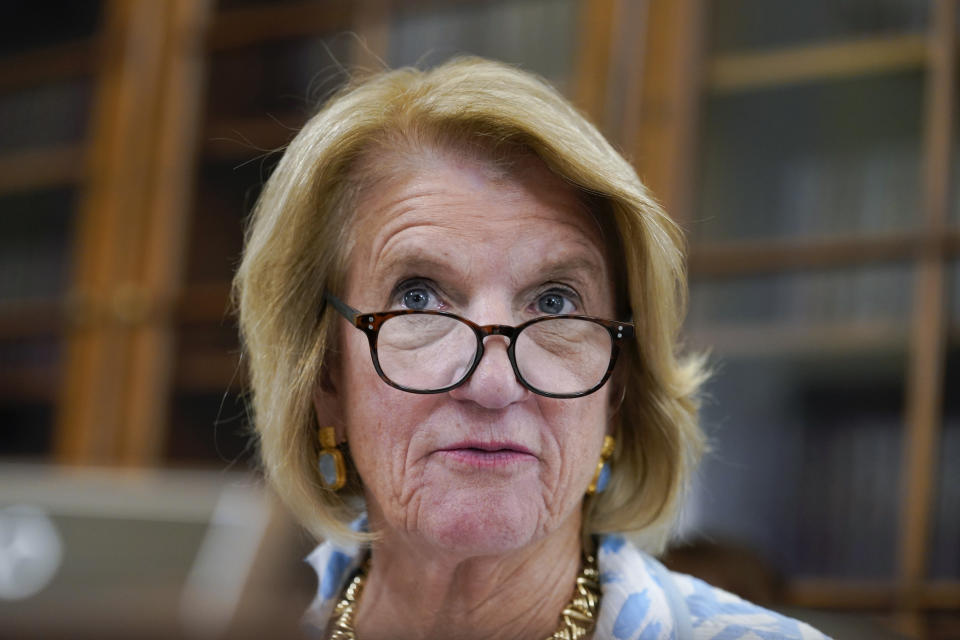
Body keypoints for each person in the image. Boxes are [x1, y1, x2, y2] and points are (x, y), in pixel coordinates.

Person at [234, 57, 828, 640]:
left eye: (555, 304)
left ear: (618, 386)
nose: (494, 384)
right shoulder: (224, 621)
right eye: (418, 299)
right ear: (324, 375)